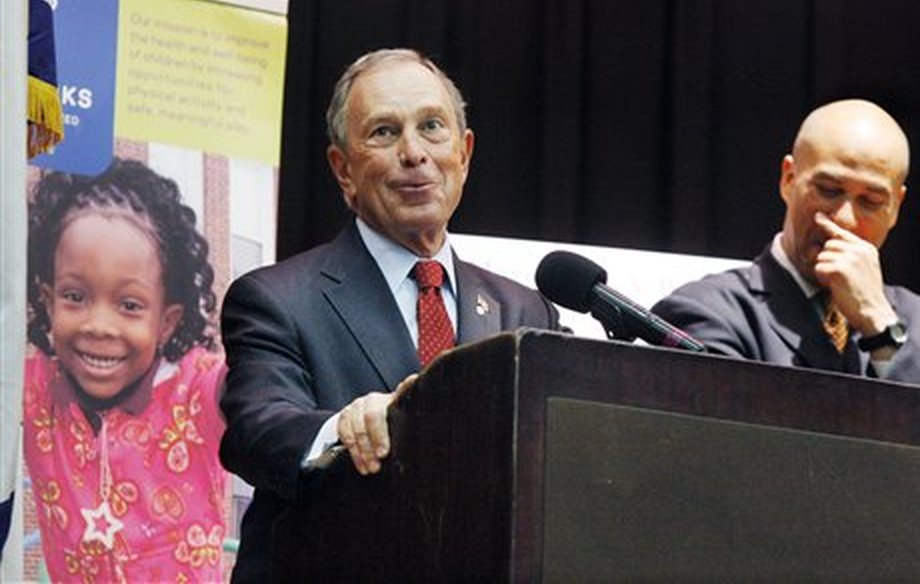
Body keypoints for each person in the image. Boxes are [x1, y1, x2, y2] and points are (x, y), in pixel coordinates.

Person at [218, 48, 562, 581]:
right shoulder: (275, 299)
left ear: (464, 154)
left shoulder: (524, 312)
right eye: (383, 132)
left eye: (432, 127)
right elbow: (257, 430)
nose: (414, 153)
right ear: (343, 169)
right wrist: (342, 428)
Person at [652, 99, 920, 520]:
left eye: (871, 201)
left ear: (896, 206)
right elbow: (721, 477)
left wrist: (883, 332)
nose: (844, 218)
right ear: (789, 179)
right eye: (828, 190)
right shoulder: (707, 311)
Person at [23, 158, 228, 582]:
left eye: (130, 305)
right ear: (47, 301)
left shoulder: (199, 389)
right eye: (75, 296)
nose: (99, 325)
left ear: (166, 320)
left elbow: (261, 391)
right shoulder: (34, 389)